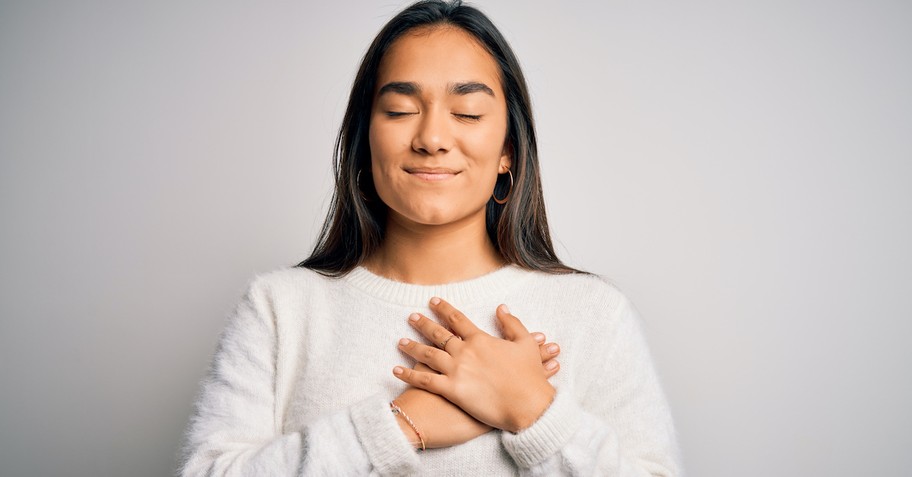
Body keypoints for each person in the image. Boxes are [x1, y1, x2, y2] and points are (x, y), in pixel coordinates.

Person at [178, 1, 682, 475]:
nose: (432, 138)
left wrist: (532, 410)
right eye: (399, 110)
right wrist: (396, 425)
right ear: (363, 140)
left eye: (467, 114)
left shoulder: (594, 313)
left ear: (508, 150)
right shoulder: (279, 308)